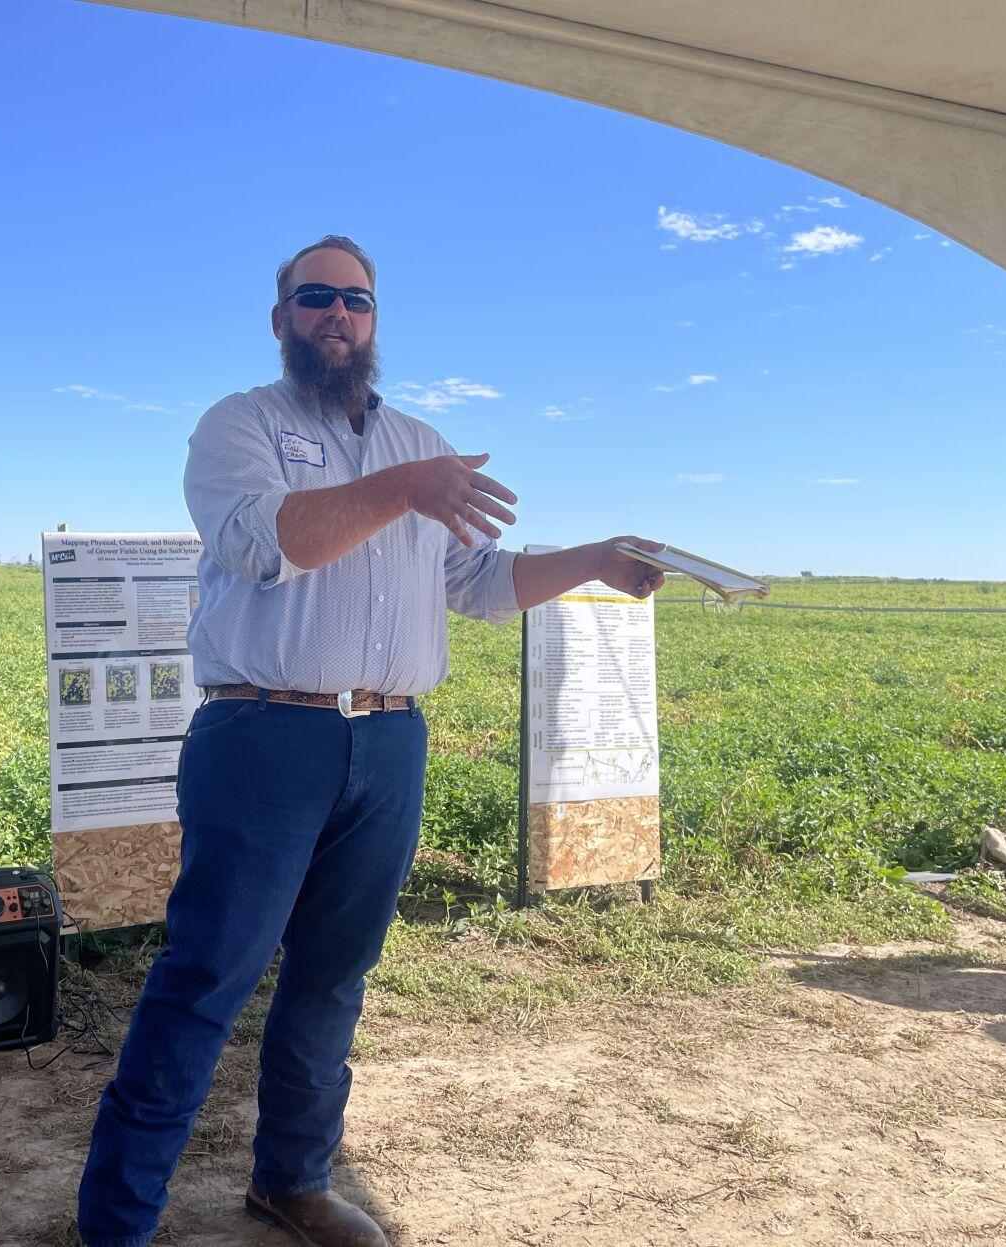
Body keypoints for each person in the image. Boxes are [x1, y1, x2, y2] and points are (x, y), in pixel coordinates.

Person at [74, 235, 665, 1247]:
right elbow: (269, 542)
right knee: (207, 972)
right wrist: (404, 488)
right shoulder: (239, 427)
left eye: (357, 300)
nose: (337, 316)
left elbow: (476, 585)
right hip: (263, 732)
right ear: (281, 319)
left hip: (388, 742)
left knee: (333, 973)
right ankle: (117, 1220)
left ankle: (292, 1181)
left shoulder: (419, 441)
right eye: (316, 298)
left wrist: (597, 558)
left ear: (376, 320)